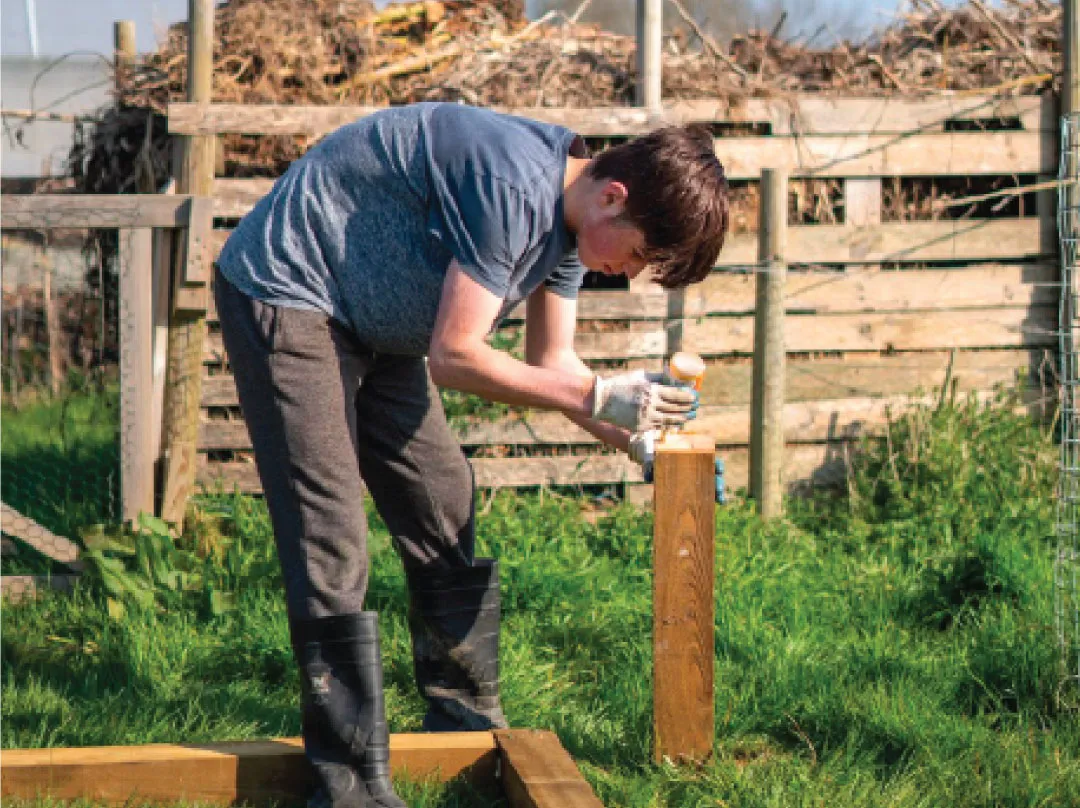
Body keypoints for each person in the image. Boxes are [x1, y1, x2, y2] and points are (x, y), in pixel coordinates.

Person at [213, 102, 730, 808]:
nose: (628, 273)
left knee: (442, 496)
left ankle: (462, 718)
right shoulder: (515, 191)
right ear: (614, 196)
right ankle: (348, 784)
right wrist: (604, 396)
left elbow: (555, 365)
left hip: (373, 324)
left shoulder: (570, 225)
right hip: (290, 294)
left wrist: (645, 444)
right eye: (637, 255)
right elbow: (456, 357)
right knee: (331, 533)